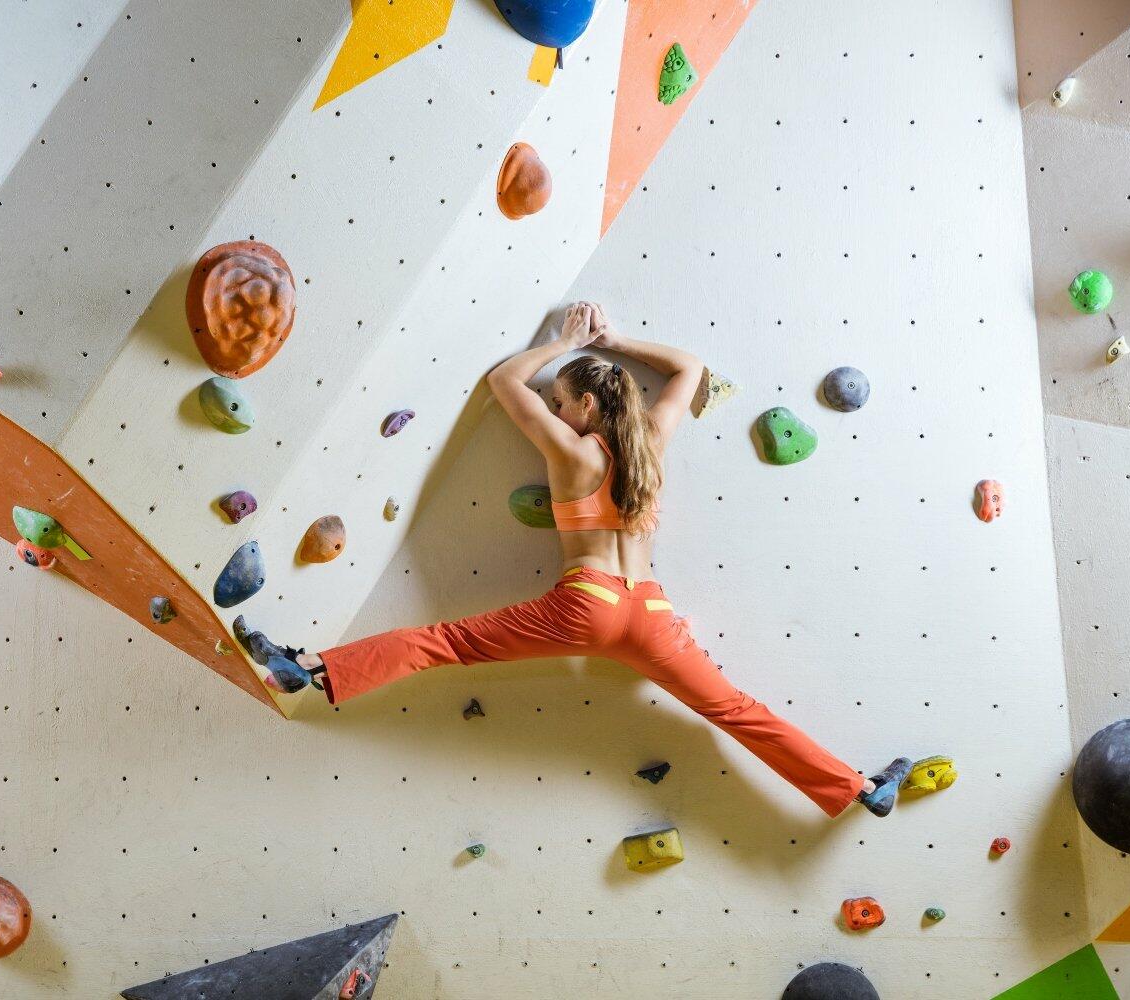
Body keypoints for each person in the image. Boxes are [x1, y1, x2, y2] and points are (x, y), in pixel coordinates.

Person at [236, 302, 909, 818]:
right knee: (734, 709)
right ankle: (857, 789)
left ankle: (307, 670)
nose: (556, 409)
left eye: (562, 400)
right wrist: (611, 342)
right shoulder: (651, 442)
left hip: (587, 603)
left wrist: (563, 342)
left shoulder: (571, 451)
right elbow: (690, 369)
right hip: (650, 611)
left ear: (585, 405)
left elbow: (504, 380)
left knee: (443, 643)